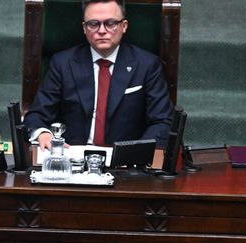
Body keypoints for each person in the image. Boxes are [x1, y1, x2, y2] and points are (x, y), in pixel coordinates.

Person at [23, 0, 174, 151]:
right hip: (72, 158)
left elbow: (162, 121)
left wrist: (136, 153)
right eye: (93, 24)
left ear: (124, 26)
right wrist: (43, 134)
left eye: (111, 23)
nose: (102, 30)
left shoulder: (147, 64)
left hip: (125, 162)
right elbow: (37, 115)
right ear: (84, 28)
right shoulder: (63, 63)